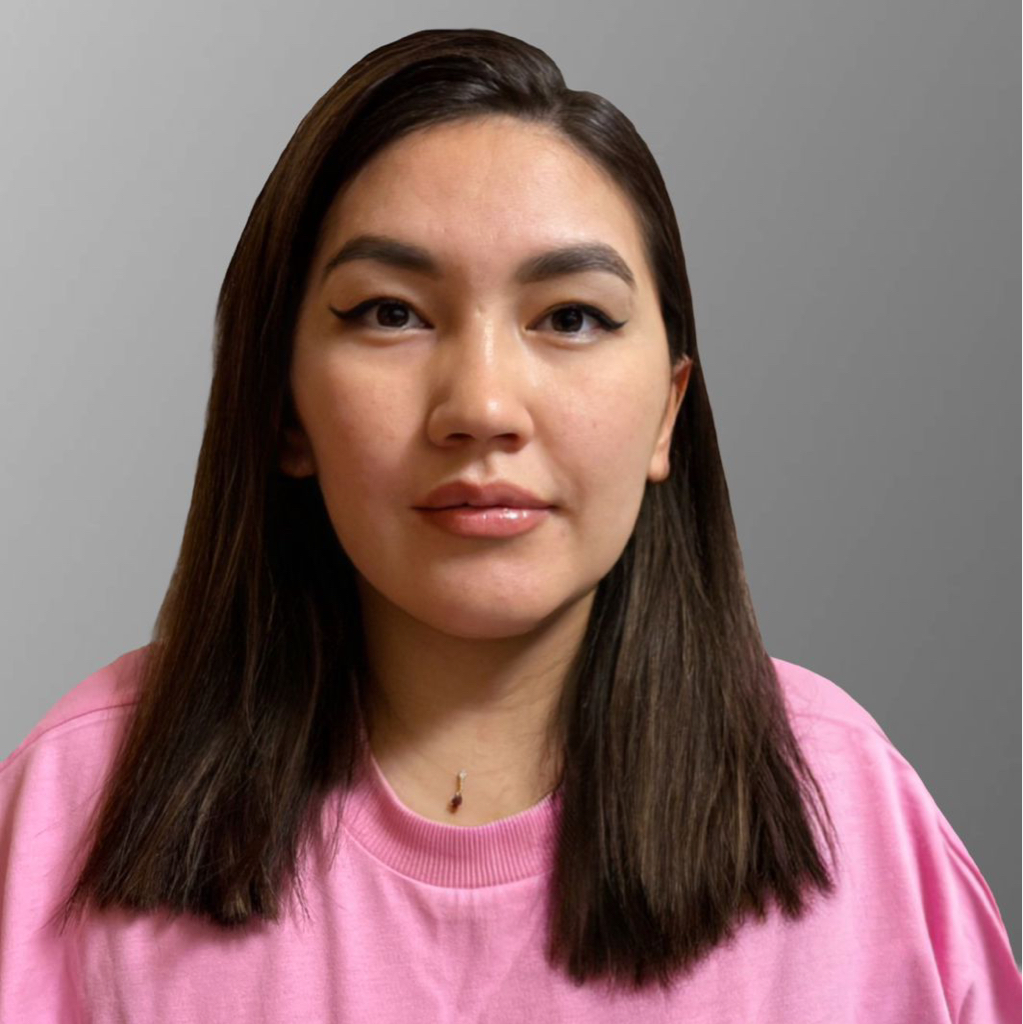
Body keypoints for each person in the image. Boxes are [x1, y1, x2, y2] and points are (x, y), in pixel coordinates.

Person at [0, 26, 1019, 1023]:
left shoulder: (843, 806)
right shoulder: (77, 800)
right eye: (390, 311)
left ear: (667, 412)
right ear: (284, 408)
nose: (483, 406)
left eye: (571, 317)